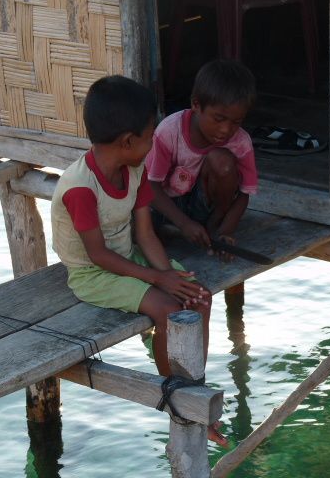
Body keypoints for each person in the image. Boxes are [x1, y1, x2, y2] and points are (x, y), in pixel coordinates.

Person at [50, 75, 227, 445]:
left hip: (127, 256)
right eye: (150, 135)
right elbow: (96, 255)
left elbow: (145, 234)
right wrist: (160, 281)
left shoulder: (134, 169)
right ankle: (177, 394)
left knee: (199, 297)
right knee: (168, 309)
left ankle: (194, 381)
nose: (154, 142)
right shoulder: (81, 187)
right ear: (128, 140)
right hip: (92, 273)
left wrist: (167, 275)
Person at [146, 60, 257, 258]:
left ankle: (213, 225)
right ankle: (174, 229)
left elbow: (244, 194)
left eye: (236, 122)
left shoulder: (241, 142)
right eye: (218, 119)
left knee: (221, 161)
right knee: (139, 222)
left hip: (206, 206)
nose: (226, 130)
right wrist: (184, 223)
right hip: (169, 204)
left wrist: (226, 232)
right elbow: (150, 187)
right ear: (196, 105)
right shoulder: (169, 131)